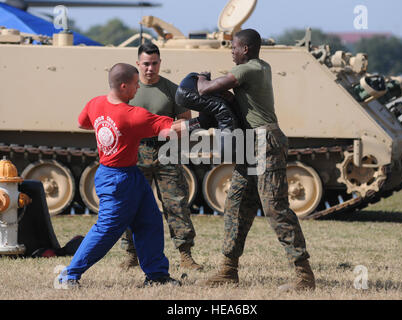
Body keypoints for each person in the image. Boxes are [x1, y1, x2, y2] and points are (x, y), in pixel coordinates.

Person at [196, 29, 316, 291]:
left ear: (246, 49)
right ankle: (228, 270)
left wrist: (201, 77)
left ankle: (303, 275)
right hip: (252, 142)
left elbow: (205, 90)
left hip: (265, 142)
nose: (231, 51)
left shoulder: (247, 69)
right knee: (236, 202)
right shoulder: (261, 67)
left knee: (274, 207)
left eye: (234, 47)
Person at [58, 63, 184, 288]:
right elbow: (170, 131)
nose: (138, 89)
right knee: (106, 229)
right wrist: (202, 121)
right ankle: (68, 275)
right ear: (124, 86)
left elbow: (82, 123)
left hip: (122, 174)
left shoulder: (95, 103)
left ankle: (156, 276)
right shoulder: (133, 116)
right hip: (118, 180)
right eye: (135, 85)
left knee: (150, 221)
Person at [119, 43, 203, 271]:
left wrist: (172, 131)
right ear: (138, 64)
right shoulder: (128, 91)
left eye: (154, 63)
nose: (150, 68)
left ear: (160, 63)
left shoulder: (172, 90)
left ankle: (185, 255)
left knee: (176, 203)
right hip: (135, 152)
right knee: (131, 204)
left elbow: (187, 121)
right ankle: (131, 254)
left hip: (167, 152)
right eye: (145, 64)